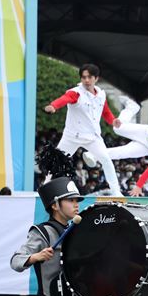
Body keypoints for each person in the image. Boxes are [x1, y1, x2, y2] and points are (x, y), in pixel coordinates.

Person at [43, 63, 123, 196]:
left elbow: (106, 112)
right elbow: (65, 99)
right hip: (72, 136)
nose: (86, 80)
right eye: (83, 77)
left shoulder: (101, 95)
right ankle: (45, 189)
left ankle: (116, 191)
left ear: (96, 78)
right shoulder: (76, 92)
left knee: (106, 160)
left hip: (93, 137)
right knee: (56, 162)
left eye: (89, 77)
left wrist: (113, 121)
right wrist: (53, 106)